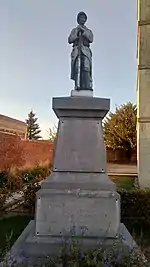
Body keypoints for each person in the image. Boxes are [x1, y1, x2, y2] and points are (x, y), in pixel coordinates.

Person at [68, 12, 93, 90]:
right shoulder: (74, 30)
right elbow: (70, 40)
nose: (82, 19)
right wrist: (76, 33)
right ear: (78, 20)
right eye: (80, 18)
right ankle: (77, 85)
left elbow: (91, 39)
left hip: (85, 50)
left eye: (83, 18)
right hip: (77, 50)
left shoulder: (88, 30)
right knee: (77, 68)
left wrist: (83, 32)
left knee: (86, 68)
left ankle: (86, 86)